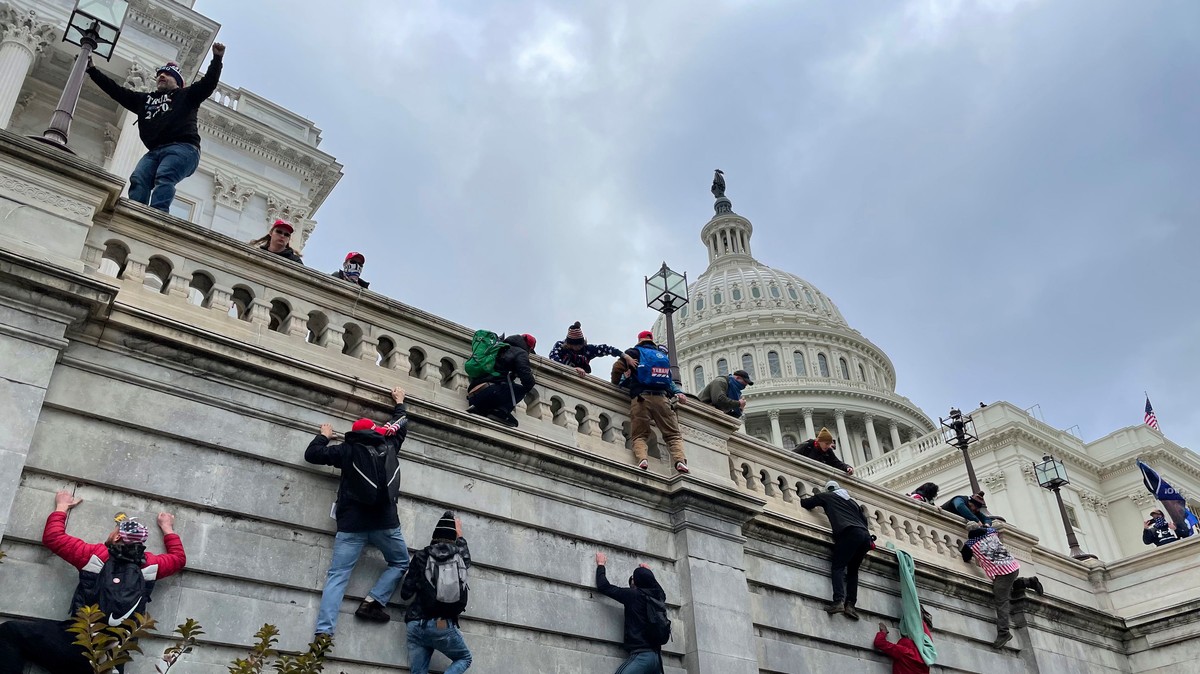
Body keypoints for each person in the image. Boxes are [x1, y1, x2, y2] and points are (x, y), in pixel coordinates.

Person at [0, 491, 186, 674]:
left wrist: (62, 506)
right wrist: (167, 527)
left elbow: (53, 537)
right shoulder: (152, 566)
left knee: (10, 633)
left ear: (117, 537)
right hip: (111, 659)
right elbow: (178, 559)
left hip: (76, 644)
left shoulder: (94, 556)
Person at [305, 386, 411, 638]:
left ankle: (323, 634)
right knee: (400, 561)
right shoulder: (388, 445)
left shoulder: (347, 449)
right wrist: (399, 402)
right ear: (374, 431)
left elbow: (312, 455)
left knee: (338, 576)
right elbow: (401, 425)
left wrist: (324, 436)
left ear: (353, 434)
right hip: (385, 523)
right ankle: (373, 602)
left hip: (351, 525)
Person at [86, 44, 225, 211]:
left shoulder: (187, 95)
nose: (162, 76)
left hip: (184, 147)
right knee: (139, 177)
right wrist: (93, 71)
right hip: (155, 151)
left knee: (165, 175)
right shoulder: (145, 100)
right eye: (160, 74)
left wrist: (217, 59)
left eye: (167, 74)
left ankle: (157, 215)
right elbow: (116, 91)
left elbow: (209, 83)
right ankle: (136, 212)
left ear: (178, 81)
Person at [400, 511, 472, 674]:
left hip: (415, 623)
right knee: (464, 658)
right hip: (441, 624)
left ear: (434, 536)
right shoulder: (459, 557)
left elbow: (405, 593)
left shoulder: (420, 556)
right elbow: (467, 561)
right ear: (453, 538)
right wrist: (460, 537)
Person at [610, 331, 689, 473]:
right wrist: (678, 392)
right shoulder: (662, 356)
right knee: (673, 434)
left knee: (639, 435)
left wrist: (616, 382)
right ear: (652, 341)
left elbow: (617, 368)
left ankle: (642, 460)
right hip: (662, 399)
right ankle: (680, 461)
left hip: (641, 398)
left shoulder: (634, 352)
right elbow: (669, 381)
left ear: (639, 340)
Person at [961, 523, 1044, 649]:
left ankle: (1003, 633)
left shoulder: (970, 544)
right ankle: (1030, 582)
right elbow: (992, 528)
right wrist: (983, 525)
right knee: (1007, 588)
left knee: (1002, 601)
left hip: (1001, 573)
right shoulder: (990, 532)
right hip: (1012, 566)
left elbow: (965, 557)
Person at [800, 480, 873, 619]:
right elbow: (865, 521)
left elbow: (806, 503)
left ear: (829, 490)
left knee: (838, 567)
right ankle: (850, 605)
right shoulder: (852, 502)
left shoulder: (827, 496)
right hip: (865, 538)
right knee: (853, 571)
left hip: (849, 533)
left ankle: (838, 601)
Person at [595, 552, 668, 674]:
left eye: (633, 578)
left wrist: (601, 564)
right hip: (656, 658)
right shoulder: (659, 596)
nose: (632, 579)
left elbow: (604, 586)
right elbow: (655, 586)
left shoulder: (633, 596)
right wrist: (648, 572)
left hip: (642, 656)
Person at [466, 333, 537, 428]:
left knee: (506, 385)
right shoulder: (520, 352)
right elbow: (527, 379)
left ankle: (480, 408)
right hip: (490, 393)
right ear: (530, 348)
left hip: (473, 395)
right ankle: (500, 412)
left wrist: (512, 375)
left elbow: (497, 374)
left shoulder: (499, 346)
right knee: (521, 389)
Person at [548, 322, 623, 375]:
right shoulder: (560, 346)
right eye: (577, 345)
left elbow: (605, 349)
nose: (580, 347)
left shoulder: (587, 349)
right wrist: (572, 369)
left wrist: (623, 355)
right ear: (570, 344)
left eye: (581, 344)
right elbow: (553, 358)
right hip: (562, 376)